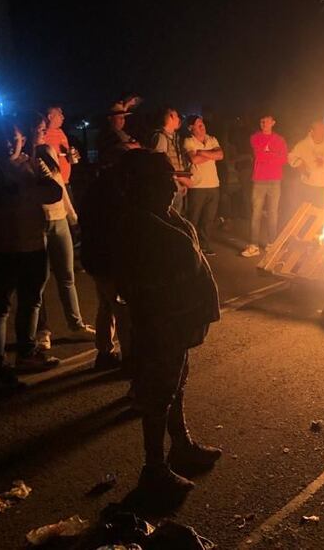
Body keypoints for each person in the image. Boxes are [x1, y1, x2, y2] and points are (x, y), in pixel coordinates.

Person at [115, 150, 222, 492]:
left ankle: (182, 445)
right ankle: (154, 469)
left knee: (177, 384)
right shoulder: (140, 226)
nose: (172, 186)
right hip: (162, 325)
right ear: (144, 186)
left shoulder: (164, 217)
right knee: (159, 393)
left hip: (177, 325)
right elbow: (143, 285)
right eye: (164, 180)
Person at [0, 118, 63, 393]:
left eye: (15, 138)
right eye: (3, 138)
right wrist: (32, 189)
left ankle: (26, 353)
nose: (9, 143)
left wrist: (25, 188)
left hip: (34, 244)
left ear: (23, 139)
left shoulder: (32, 163)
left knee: (31, 300)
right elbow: (1, 196)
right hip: (0, 248)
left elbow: (55, 191)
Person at [25, 114, 96, 348]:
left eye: (44, 129)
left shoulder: (48, 150)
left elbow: (60, 187)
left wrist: (72, 216)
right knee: (38, 280)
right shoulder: (23, 158)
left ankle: (75, 325)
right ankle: (41, 331)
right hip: (37, 221)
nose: (42, 133)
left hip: (59, 218)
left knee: (67, 276)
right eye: (37, 129)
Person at [79, 163, 130, 375]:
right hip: (111, 259)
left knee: (107, 305)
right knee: (123, 309)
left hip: (95, 258)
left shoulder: (96, 188)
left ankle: (105, 353)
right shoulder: (117, 192)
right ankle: (130, 359)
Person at [241, 114, 287, 257]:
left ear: (273, 122)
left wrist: (268, 154)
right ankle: (253, 245)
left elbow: (284, 159)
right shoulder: (255, 137)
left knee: (273, 213)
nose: (264, 123)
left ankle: (271, 243)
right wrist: (273, 155)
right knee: (256, 213)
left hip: (275, 180)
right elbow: (259, 155)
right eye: (262, 121)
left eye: (267, 121)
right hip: (259, 180)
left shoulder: (280, 140)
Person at [182, 115, 223, 256]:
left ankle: (204, 245)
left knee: (208, 219)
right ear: (190, 128)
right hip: (197, 186)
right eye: (198, 125)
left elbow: (220, 155)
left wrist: (201, 152)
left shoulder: (212, 139)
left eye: (202, 123)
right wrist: (210, 154)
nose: (202, 126)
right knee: (193, 218)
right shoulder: (188, 141)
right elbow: (194, 159)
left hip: (213, 185)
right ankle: (189, 245)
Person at [150, 107, 195, 214]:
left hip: (176, 189)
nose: (179, 119)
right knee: (170, 223)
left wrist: (181, 184)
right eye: (176, 116)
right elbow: (161, 167)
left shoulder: (173, 138)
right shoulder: (161, 138)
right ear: (170, 117)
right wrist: (182, 179)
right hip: (169, 191)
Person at [288, 119, 324, 209]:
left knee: (322, 211)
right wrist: (300, 166)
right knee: (307, 210)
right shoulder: (303, 145)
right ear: (312, 131)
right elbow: (291, 157)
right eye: (319, 129)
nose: (322, 132)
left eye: (323, 129)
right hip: (309, 185)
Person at [42, 104, 80, 187]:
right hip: (53, 183)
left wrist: (73, 155)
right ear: (50, 117)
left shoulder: (61, 132)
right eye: (60, 114)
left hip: (66, 181)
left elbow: (67, 154)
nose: (63, 117)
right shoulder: (42, 134)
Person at [96, 102, 140, 168]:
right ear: (110, 118)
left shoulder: (121, 132)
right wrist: (132, 145)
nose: (122, 120)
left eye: (123, 117)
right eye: (119, 117)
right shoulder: (107, 134)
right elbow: (117, 148)